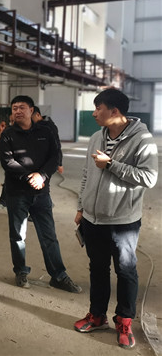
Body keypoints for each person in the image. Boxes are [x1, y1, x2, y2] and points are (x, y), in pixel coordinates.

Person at [73, 88, 158, 349]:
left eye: (98, 108)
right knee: (98, 268)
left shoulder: (142, 139)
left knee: (126, 271)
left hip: (123, 221)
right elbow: (87, 174)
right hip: (93, 219)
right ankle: (97, 316)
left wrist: (111, 165)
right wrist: (81, 207)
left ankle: (124, 321)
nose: (93, 113)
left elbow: (149, 178)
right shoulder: (96, 137)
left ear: (115, 111)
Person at [0, 95, 81, 293]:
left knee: (49, 235)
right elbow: (7, 162)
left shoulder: (45, 131)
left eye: (22, 107)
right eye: (14, 108)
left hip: (42, 193)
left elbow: (54, 155)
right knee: (18, 236)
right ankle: (21, 272)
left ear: (32, 110)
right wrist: (30, 177)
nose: (18, 111)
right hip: (17, 193)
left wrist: (42, 176)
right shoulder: (7, 134)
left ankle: (58, 276)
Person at [32, 106, 63, 174]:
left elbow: (57, 146)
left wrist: (59, 163)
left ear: (37, 115)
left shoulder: (49, 127)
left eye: (31, 118)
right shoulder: (34, 126)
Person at [0, 116, 12, 210]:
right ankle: (3, 201)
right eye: (11, 120)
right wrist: (0, 131)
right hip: (11, 163)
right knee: (8, 180)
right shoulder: (8, 130)